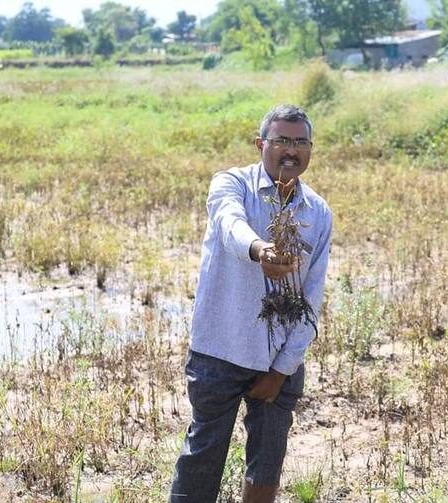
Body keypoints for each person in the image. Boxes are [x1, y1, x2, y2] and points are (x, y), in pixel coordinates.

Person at [169, 104, 332, 503]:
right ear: (261, 144)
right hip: (221, 350)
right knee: (203, 456)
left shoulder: (318, 212)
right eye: (281, 141)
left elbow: (311, 296)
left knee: (268, 460)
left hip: (279, 356)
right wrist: (260, 250)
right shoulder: (231, 185)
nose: (290, 151)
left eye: (300, 142)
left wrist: (282, 369)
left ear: (310, 149)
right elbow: (229, 223)